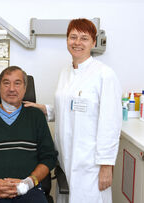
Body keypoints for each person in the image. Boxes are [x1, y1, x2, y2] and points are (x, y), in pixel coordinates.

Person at [24, 18, 122, 203]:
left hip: (90, 163)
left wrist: (106, 166)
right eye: (73, 37)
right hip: (66, 157)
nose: (77, 43)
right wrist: (45, 109)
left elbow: (111, 123)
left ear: (94, 42)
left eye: (84, 38)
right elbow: (68, 109)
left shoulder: (104, 75)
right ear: (67, 40)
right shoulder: (65, 72)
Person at [0, 66, 58, 203]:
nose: (11, 88)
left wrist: (27, 184)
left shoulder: (36, 117)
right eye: (6, 83)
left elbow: (48, 157)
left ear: (25, 88)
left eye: (17, 83)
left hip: (29, 191)